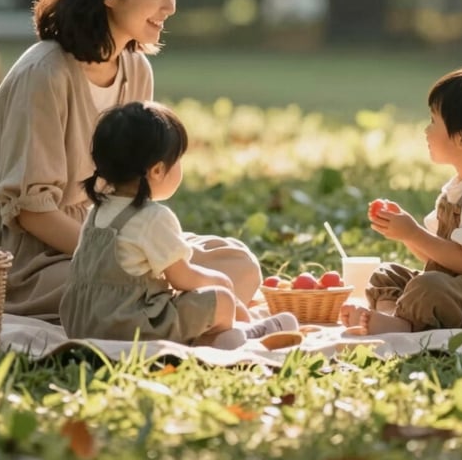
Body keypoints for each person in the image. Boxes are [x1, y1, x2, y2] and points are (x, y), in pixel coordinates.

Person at [0, 0, 261, 322]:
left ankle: (168, 308)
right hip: (31, 256)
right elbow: (31, 211)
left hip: (112, 231)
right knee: (135, 289)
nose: (171, 7)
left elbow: (133, 185)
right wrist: (130, 260)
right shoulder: (44, 75)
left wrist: (153, 249)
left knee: (237, 264)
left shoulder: (136, 70)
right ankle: (170, 310)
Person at [60, 101, 297, 347]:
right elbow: (183, 279)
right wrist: (222, 282)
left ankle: (235, 332)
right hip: (130, 326)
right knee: (222, 300)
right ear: (158, 171)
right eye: (178, 160)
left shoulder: (97, 210)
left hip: (83, 323)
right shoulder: (151, 217)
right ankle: (238, 336)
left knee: (197, 300)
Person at [341, 60, 462, 335]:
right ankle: (390, 317)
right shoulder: (459, 187)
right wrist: (404, 233)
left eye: (434, 121)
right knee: (387, 273)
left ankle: (400, 323)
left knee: (428, 287)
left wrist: (412, 232)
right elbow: (437, 254)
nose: (426, 130)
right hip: (460, 287)